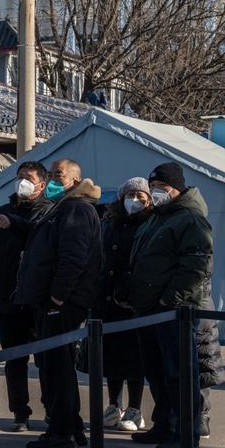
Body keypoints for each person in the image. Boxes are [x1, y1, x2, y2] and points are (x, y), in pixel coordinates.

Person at [15, 159, 102, 448]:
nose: (53, 179)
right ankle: (71, 426)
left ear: (75, 181)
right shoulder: (60, 208)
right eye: (50, 174)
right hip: (50, 301)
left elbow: (73, 259)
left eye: (59, 175)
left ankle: (62, 432)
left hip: (61, 304)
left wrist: (57, 297)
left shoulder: (76, 209)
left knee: (56, 368)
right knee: (54, 366)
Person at [129, 162, 213, 448]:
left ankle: (186, 435)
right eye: (153, 188)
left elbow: (197, 264)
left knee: (180, 375)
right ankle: (163, 424)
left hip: (173, 311)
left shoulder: (190, 218)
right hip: (148, 310)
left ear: (176, 188)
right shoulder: (158, 218)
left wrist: (171, 300)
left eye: (161, 188)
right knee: (157, 372)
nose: (155, 193)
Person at [0, 161, 53, 431]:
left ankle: (52, 409)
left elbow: (39, 234)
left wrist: (14, 223)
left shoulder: (50, 211)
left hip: (38, 300)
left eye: (28, 178)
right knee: (14, 359)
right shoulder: (0, 212)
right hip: (6, 297)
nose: (22, 183)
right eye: (19, 177)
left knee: (45, 360)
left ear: (42, 185)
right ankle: (20, 412)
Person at [96, 178, 151, 432]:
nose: (135, 200)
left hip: (134, 302)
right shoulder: (110, 222)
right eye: (131, 195)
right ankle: (112, 405)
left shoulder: (150, 223)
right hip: (108, 300)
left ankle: (135, 409)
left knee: (135, 358)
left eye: (141, 196)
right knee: (112, 357)